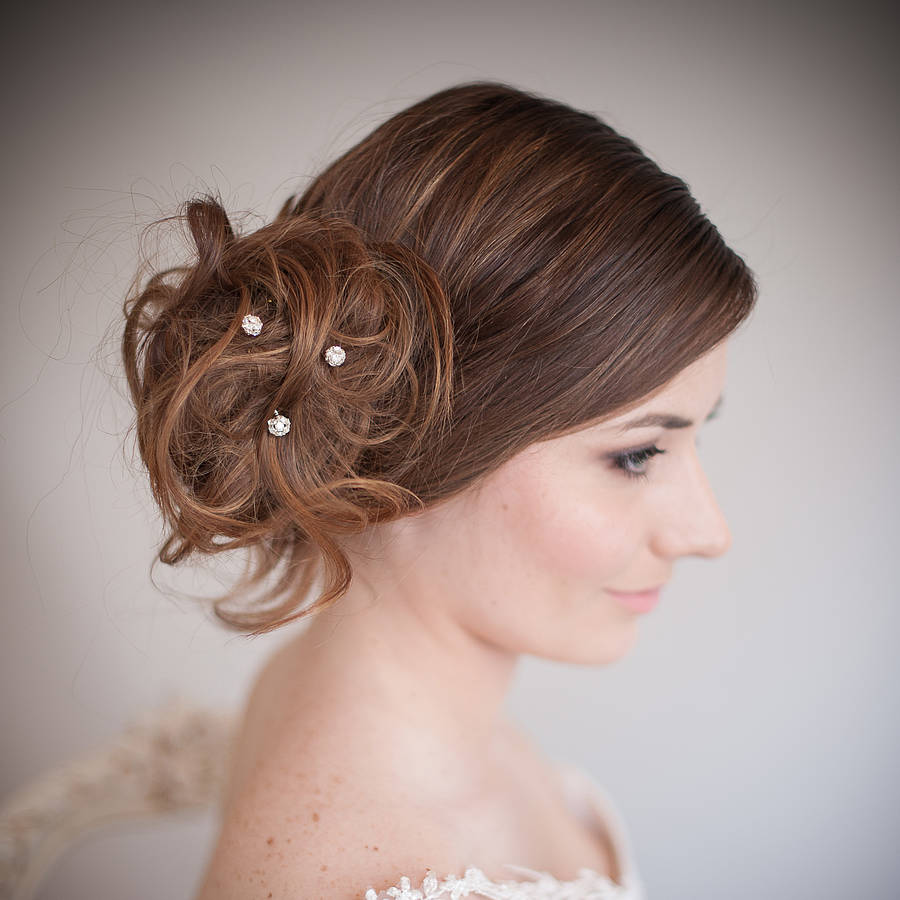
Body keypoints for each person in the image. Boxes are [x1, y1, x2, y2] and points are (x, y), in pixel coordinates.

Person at [120, 80, 757, 899]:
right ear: (427, 444)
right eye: (636, 456)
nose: (707, 533)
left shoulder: (333, 689)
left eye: (696, 437)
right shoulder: (356, 866)